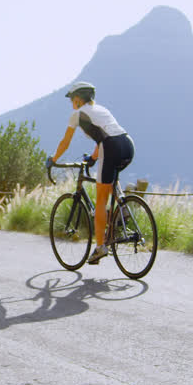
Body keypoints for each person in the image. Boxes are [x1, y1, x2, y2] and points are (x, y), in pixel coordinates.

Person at [47, 81, 135, 265]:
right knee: (110, 179)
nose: (71, 103)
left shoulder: (77, 114)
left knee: (100, 200)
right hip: (127, 145)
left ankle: (100, 247)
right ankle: (122, 206)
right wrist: (93, 158)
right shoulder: (102, 110)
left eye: (72, 99)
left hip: (110, 147)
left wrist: (53, 159)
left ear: (78, 99)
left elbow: (65, 141)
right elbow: (104, 137)